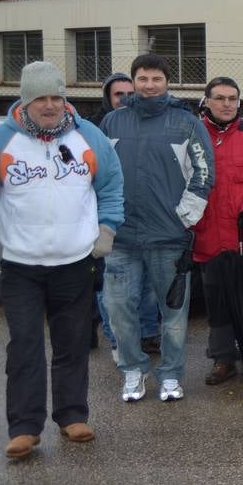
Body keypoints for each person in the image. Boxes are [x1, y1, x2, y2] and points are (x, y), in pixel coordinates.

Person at [0, 62, 124, 458]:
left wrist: (107, 231)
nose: (50, 106)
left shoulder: (89, 137)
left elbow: (112, 185)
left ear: (65, 100)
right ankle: (25, 428)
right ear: (25, 101)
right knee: (25, 345)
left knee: (72, 343)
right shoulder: (1, 142)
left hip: (75, 261)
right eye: (41, 99)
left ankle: (72, 416)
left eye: (56, 98)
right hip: (19, 265)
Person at [101, 54, 214, 404]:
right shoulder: (112, 122)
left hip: (169, 238)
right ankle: (133, 371)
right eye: (143, 78)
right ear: (133, 81)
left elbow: (204, 171)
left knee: (174, 315)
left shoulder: (185, 123)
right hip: (122, 237)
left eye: (156, 79)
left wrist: (185, 216)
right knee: (119, 309)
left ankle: (171, 375)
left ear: (167, 82)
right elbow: (99, 173)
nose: (149, 85)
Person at [193, 77, 243, 387]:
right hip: (209, 236)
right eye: (220, 98)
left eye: (232, 98)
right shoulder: (194, 136)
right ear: (207, 101)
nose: (227, 104)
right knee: (218, 302)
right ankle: (223, 359)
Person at [90, 71, 159, 357]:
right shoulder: (96, 130)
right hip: (110, 222)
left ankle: (148, 333)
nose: (125, 99)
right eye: (118, 94)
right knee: (112, 287)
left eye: (130, 93)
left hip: (147, 219)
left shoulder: (147, 125)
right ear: (108, 97)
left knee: (148, 283)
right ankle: (117, 336)